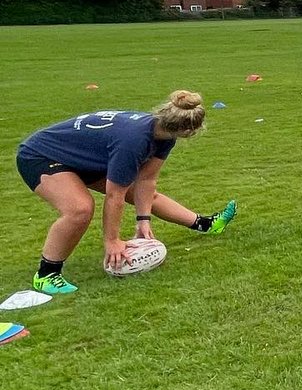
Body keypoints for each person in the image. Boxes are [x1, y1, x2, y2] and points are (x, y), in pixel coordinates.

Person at [15, 91, 237, 295]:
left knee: (147, 195)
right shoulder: (133, 142)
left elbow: (147, 181)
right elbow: (114, 196)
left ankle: (206, 224)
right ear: (189, 129)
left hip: (83, 157)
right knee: (79, 209)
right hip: (41, 155)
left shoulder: (164, 134)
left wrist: (144, 221)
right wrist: (112, 241)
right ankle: (46, 274)